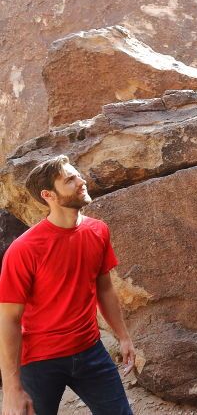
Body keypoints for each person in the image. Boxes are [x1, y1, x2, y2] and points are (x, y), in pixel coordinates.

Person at [0, 155, 136, 415]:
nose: (81, 181)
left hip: (90, 351)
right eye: (70, 179)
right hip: (40, 360)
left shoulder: (98, 231)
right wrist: (11, 389)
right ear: (48, 194)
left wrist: (123, 336)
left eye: (78, 175)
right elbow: (8, 319)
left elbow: (104, 288)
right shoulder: (24, 250)